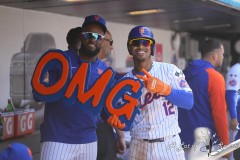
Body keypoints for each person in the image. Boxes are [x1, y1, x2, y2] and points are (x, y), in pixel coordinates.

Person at [35, 15, 112, 160]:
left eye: (98, 36)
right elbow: (39, 93)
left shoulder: (105, 71)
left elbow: (105, 108)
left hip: (89, 139)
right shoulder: (60, 60)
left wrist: (118, 126)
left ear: (102, 40)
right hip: (57, 138)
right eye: (89, 34)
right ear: (82, 36)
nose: (93, 39)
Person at [114, 26, 193, 160]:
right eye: (135, 42)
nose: (140, 46)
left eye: (145, 42)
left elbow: (189, 102)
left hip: (168, 144)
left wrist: (165, 90)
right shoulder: (124, 82)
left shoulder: (169, 70)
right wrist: (118, 126)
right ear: (129, 48)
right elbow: (121, 117)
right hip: (139, 145)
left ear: (152, 47)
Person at [178, 39, 229, 159]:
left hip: (181, 139)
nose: (223, 57)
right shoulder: (215, 77)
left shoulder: (183, 74)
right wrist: (226, 145)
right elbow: (219, 114)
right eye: (222, 54)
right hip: (204, 141)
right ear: (215, 56)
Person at [96, 30, 126, 160]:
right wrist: (120, 136)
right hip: (99, 129)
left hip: (95, 130)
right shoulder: (102, 71)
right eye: (110, 42)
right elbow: (110, 107)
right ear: (101, 41)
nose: (112, 46)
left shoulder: (102, 68)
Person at [225, 61, 240, 159]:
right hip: (236, 118)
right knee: (233, 150)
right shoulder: (236, 69)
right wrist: (234, 117)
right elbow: (230, 93)